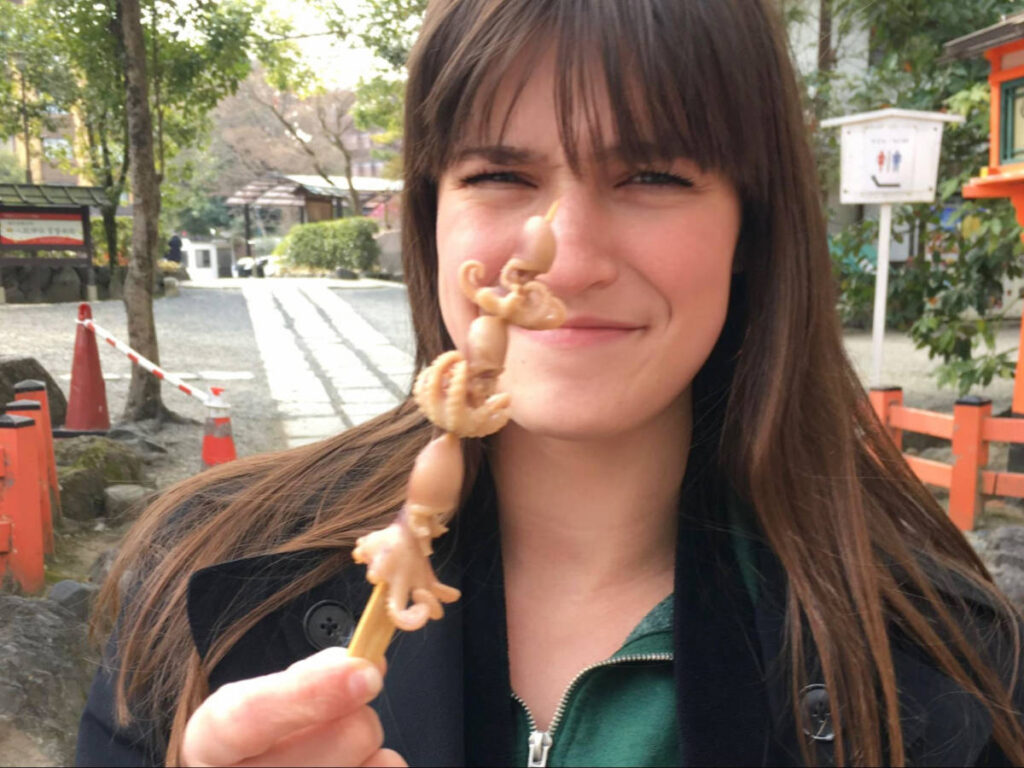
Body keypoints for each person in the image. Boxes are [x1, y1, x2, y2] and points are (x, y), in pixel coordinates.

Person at [77, 1, 1024, 766]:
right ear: (431, 218)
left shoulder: (934, 661)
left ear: (753, 228)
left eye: (652, 173)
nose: (563, 263)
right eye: (497, 173)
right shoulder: (214, 585)